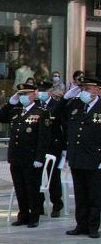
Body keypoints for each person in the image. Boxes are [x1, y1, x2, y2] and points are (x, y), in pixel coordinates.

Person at [0, 79, 49, 228]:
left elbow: (43, 138)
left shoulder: (41, 113)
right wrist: (10, 103)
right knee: (20, 188)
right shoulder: (16, 111)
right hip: (16, 157)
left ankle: (34, 216)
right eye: (20, 94)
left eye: (26, 94)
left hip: (31, 158)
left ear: (34, 95)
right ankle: (23, 214)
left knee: (31, 188)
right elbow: (1, 117)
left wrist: (39, 157)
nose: (22, 97)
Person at [61, 77, 101, 238]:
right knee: (80, 194)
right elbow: (55, 114)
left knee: (94, 195)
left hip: (95, 159)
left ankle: (93, 226)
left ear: (98, 89)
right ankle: (81, 224)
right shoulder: (76, 106)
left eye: (89, 88)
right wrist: (66, 98)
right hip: (77, 158)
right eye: (83, 88)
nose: (85, 92)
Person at [37, 78, 66, 216]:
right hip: (37, 147)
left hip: (53, 146)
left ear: (50, 91)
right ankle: (39, 205)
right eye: (39, 90)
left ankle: (57, 205)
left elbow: (64, 126)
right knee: (37, 176)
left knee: (54, 177)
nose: (41, 93)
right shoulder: (35, 105)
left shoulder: (57, 105)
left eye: (44, 91)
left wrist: (65, 148)